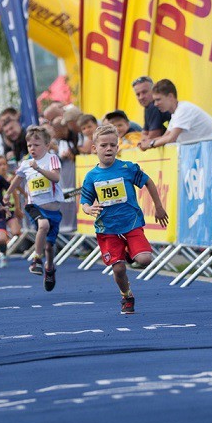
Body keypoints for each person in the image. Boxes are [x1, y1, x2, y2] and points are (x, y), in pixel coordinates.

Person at [81, 124, 169, 314]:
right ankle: (126, 296)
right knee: (119, 269)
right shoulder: (91, 176)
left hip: (131, 224)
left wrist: (159, 206)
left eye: (113, 145)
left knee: (145, 259)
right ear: (95, 149)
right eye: (104, 145)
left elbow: (148, 182)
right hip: (107, 229)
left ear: (118, 147)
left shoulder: (127, 168)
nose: (109, 149)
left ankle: (130, 252)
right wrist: (89, 209)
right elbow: (85, 202)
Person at [6, 125, 63, 290]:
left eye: (36, 145)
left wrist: (39, 169)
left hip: (53, 209)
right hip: (34, 206)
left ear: (46, 145)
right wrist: (7, 194)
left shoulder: (52, 159)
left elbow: (56, 178)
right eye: (29, 145)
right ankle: (36, 259)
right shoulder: (25, 163)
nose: (32, 148)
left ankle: (49, 268)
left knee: (50, 246)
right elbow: (17, 180)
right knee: (42, 225)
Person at [140, 80, 212, 150]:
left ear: (170, 96)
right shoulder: (176, 113)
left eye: (158, 100)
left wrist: (150, 144)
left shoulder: (184, 109)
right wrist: (146, 142)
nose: (155, 104)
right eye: (154, 101)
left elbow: (171, 138)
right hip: (210, 150)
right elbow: (165, 137)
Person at [132, 76, 171, 140]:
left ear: (153, 91)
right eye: (138, 94)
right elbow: (144, 134)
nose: (141, 97)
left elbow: (152, 137)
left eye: (144, 92)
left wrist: (145, 140)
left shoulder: (153, 106)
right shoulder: (148, 107)